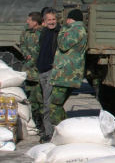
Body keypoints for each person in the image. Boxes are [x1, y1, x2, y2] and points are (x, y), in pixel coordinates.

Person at [49, 9, 87, 134]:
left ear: (72, 19)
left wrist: (62, 30)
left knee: (54, 105)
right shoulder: (78, 30)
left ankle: (64, 130)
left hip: (65, 74)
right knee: (57, 104)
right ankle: (66, 130)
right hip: (68, 73)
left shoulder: (74, 30)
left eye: (68, 19)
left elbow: (63, 44)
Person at [36, 8, 61, 142]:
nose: (52, 22)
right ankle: (47, 129)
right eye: (49, 20)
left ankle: (49, 133)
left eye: (54, 19)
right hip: (42, 70)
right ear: (44, 22)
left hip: (51, 71)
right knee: (43, 102)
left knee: (48, 103)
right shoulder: (44, 32)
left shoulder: (59, 33)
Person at [19, 11, 43, 132]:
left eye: (29, 20)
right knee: (31, 98)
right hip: (29, 71)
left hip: (40, 71)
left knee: (41, 99)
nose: (27, 22)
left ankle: (44, 124)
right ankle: (36, 121)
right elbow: (22, 44)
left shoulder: (43, 32)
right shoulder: (26, 32)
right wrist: (26, 54)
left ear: (35, 22)